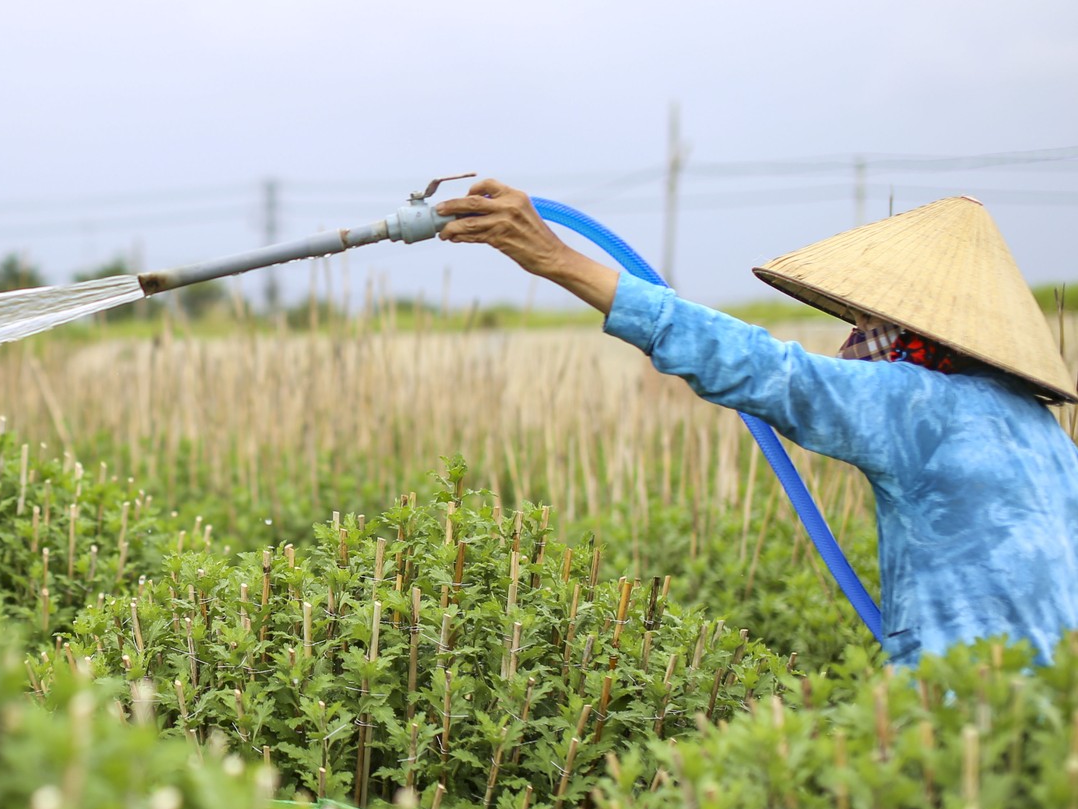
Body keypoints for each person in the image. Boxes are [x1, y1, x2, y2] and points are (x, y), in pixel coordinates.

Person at [433, 178, 1078, 667]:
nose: (856, 337)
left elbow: (762, 369)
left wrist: (554, 258)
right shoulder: (1045, 437)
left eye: (868, 323)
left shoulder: (915, 405)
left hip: (961, 714)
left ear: (909, 330)